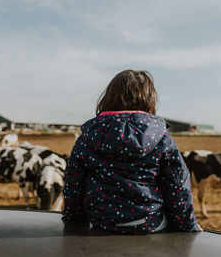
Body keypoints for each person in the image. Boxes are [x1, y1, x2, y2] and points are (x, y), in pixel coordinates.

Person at [62, 70, 202, 234]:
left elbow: (73, 184)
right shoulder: (162, 138)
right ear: (149, 99)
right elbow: (178, 186)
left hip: (101, 222)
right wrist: (187, 225)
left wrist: (74, 220)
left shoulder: (87, 136)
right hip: (150, 223)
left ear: (109, 96)